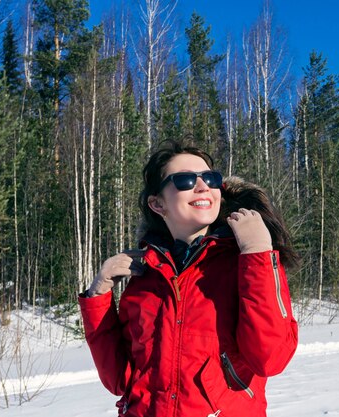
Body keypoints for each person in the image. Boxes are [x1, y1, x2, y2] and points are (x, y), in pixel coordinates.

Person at [79, 140, 299, 417]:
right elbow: (119, 380)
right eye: (184, 180)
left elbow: (270, 358)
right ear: (157, 203)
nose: (203, 185)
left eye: (210, 178)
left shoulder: (246, 265)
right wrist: (98, 293)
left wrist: (258, 253)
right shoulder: (145, 276)